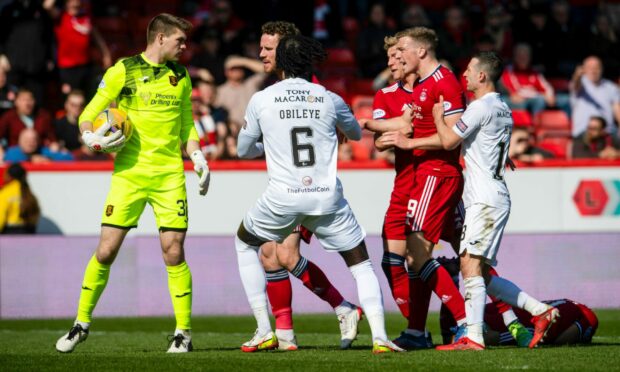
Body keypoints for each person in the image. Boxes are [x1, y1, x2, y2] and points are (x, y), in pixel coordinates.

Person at [235, 34, 403, 354]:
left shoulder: (263, 98)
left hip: (283, 196)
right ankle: (380, 337)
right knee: (360, 264)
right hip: (326, 197)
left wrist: (266, 143)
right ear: (310, 62)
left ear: (281, 62)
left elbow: (244, 150)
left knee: (245, 243)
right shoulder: (329, 97)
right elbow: (354, 134)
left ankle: (263, 328)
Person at [55, 13, 210, 354]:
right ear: (160, 39)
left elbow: (186, 124)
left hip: (169, 175)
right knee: (107, 250)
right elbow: (88, 114)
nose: (184, 47)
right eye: (179, 41)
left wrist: (197, 155)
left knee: (173, 251)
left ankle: (183, 332)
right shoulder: (122, 71)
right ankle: (81, 323)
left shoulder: (181, 76)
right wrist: (90, 138)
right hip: (128, 175)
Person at [387, 51, 559, 350]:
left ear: (482, 76)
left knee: (469, 267)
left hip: (484, 199)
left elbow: (449, 141)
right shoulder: (503, 107)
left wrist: (438, 120)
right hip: (492, 195)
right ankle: (539, 310)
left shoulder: (480, 107)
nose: (463, 75)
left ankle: (474, 337)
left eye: (468, 70)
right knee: (478, 271)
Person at [248, 21, 362, 352]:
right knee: (271, 255)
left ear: (287, 51)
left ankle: (341, 309)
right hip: (286, 186)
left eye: (268, 48)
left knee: (281, 253)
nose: (261, 54)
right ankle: (286, 335)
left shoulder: (306, 91)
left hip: (305, 188)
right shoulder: (279, 90)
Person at [361, 27, 469, 345]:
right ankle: (416, 330)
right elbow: (385, 141)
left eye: (401, 51)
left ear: (419, 51)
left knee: (443, 255)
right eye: (392, 54)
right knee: (409, 257)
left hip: (435, 177)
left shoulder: (443, 82)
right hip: (414, 182)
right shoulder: (401, 91)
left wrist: (404, 137)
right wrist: (390, 126)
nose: (396, 58)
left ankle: (468, 324)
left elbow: (450, 137)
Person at [43, 0, 112, 96]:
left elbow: (96, 37)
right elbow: (47, 6)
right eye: (72, 1)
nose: (75, 3)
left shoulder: (86, 16)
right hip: (67, 68)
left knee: (86, 97)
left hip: (85, 65)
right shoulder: (61, 16)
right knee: (70, 97)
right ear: (67, 3)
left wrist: (106, 54)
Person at [570, 56, 620, 137]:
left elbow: (617, 110)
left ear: (602, 69)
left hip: (607, 133)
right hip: (583, 133)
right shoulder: (581, 84)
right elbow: (575, 84)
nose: (593, 71)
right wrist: (577, 75)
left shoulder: (610, 87)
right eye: (590, 68)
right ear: (584, 69)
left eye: (596, 67)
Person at [500, 43, 556, 115]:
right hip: (518, 101)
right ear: (514, 57)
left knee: (566, 100)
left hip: (533, 98)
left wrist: (549, 95)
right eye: (520, 56)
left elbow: (547, 88)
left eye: (526, 56)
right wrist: (540, 95)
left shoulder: (534, 72)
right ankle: (533, 124)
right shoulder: (508, 71)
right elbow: (515, 94)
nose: (523, 58)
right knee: (538, 100)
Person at [0, 162, 40, 234]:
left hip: (10, 232)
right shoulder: (28, 193)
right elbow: (35, 214)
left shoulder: (5, 193)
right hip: (29, 232)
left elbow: (1, 216)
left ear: (9, 175)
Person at [3, 127, 73, 163]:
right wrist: (30, 160)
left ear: (38, 141)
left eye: (33, 140)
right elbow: (10, 162)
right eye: (26, 140)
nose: (30, 143)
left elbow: (69, 158)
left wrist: (49, 160)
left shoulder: (43, 151)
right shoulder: (11, 152)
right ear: (19, 141)